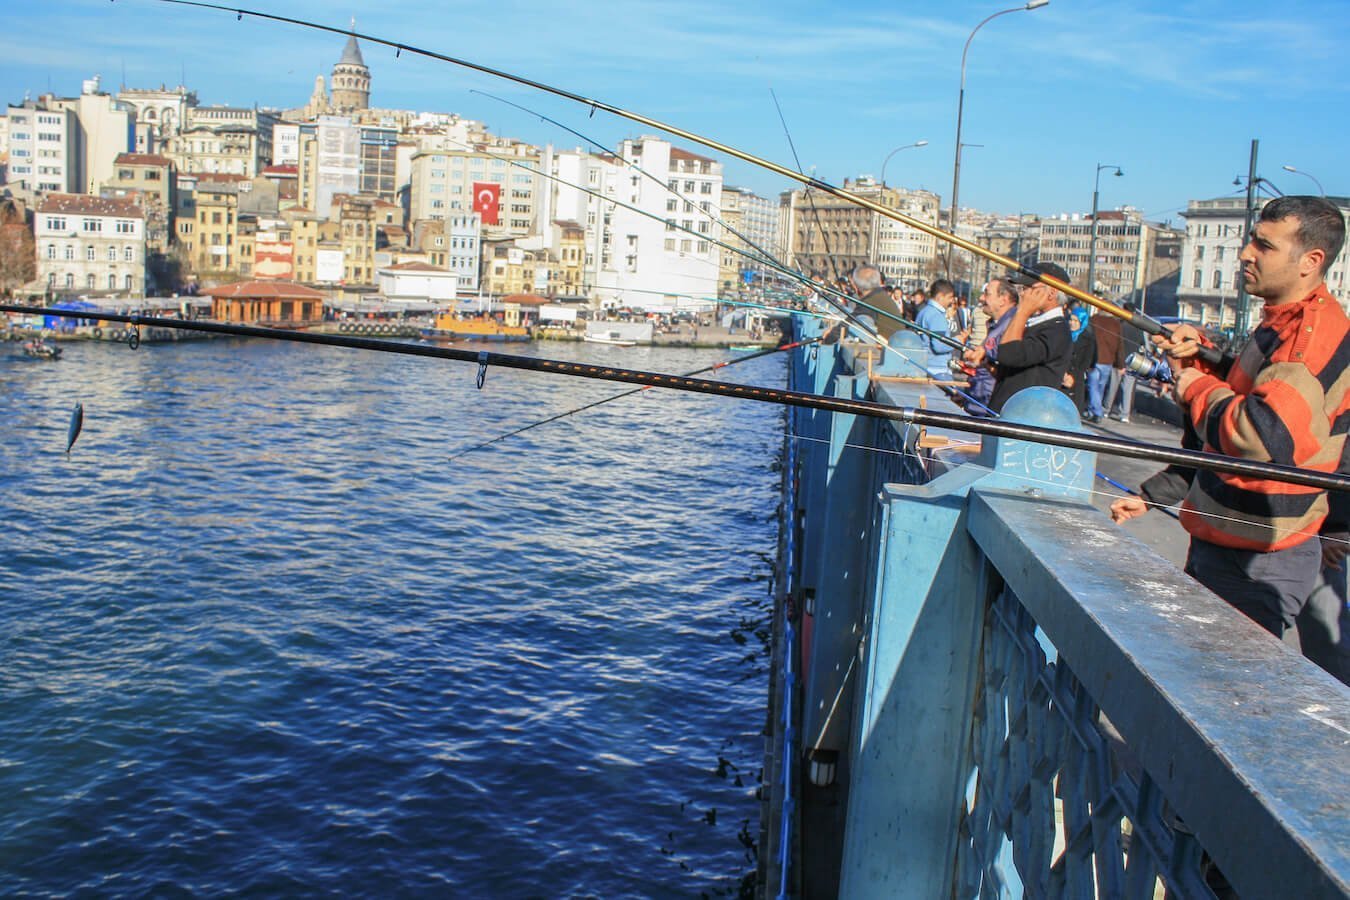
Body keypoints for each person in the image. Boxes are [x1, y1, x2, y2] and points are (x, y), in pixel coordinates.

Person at [1111, 196, 1350, 653]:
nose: (1246, 253)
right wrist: (1202, 355)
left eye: (1264, 245)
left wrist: (1193, 384)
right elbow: (1255, 396)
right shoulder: (1281, 325)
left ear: (1311, 261)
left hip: (1257, 562)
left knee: (1228, 697)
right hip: (1228, 543)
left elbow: (1262, 435)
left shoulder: (1309, 341)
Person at [987, 261, 1074, 413]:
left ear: (1052, 293)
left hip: (1024, 418)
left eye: (1029, 289)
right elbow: (1011, 362)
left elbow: (1009, 353)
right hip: (1006, 412)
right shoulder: (1035, 324)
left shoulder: (1056, 330)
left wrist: (1023, 310)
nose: (1023, 293)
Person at [962, 277, 1018, 415]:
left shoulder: (1011, 325)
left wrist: (983, 359)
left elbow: (1006, 363)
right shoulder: (995, 324)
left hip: (988, 403)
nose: (981, 298)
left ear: (1003, 300)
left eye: (987, 293)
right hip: (978, 398)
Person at [1086, 309, 1127, 423]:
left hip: (1094, 358)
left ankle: (1095, 411)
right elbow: (1120, 345)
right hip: (1108, 360)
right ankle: (1094, 411)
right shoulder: (1116, 324)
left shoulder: (1093, 320)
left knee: (1092, 386)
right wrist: (1120, 364)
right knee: (1100, 387)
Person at [914, 279, 958, 378]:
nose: (952, 301)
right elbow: (939, 346)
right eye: (950, 297)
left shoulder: (924, 311)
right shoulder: (936, 315)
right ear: (939, 296)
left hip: (925, 365)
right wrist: (958, 341)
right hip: (938, 370)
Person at [849, 264, 902, 340]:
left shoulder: (869, 302)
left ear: (856, 285)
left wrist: (830, 335)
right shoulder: (882, 296)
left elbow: (850, 322)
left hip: (886, 348)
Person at [1063, 303, 1097, 416]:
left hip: (1076, 379)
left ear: (1082, 322)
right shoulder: (1064, 334)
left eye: (1076, 321)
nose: (1072, 323)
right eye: (1071, 320)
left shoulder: (1088, 339)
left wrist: (1072, 376)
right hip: (1061, 376)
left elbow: (1086, 362)